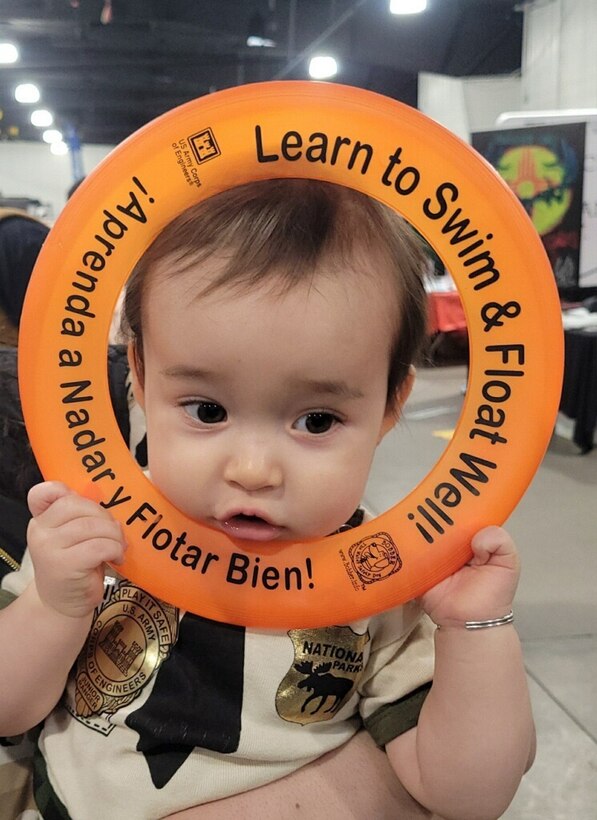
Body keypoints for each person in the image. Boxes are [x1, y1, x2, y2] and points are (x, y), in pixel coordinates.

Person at [0, 179, 535, 820]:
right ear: (139, 377)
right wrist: (55, 606)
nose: (253, 471)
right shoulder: (93, 536)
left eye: (315, 421)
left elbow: (467, 796)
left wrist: (475, 629)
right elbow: (9, 707)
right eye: (207, 410)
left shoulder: (389, 581)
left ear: (392, 404)